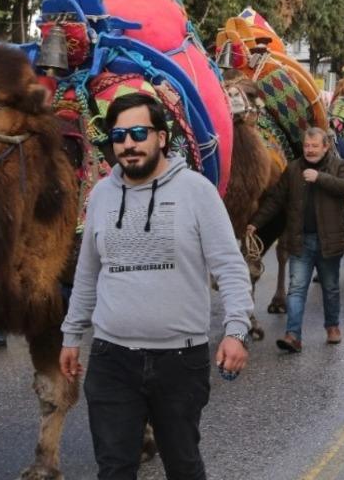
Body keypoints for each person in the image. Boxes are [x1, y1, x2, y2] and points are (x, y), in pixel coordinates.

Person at [59, 94, 252, 480]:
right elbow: (88, 272)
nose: (128, 144)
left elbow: (229, 266)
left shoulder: (197, 191)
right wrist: (71, 334)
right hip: (112, 358)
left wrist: (236, 329)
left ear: (161, 138)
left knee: (183, 466)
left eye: (138, 133)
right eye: (119, 136)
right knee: (114, 469)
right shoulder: (101, 195)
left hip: (180, 361)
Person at [248, 126, 344, 353]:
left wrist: (320, 178)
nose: (310, 150)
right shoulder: (293, 169)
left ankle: (332, 327)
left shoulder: (339, 166)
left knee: (330, 288)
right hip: (300, 241)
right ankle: (292, 336)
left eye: (315, 146)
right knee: (296, 289)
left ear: (325, 147)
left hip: (329, 241)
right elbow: (276, 200)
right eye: (307, 146)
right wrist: (255, 223)